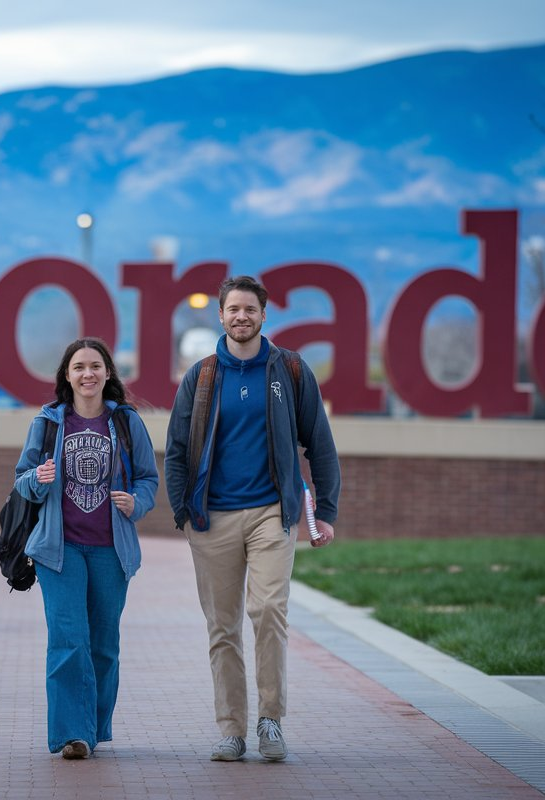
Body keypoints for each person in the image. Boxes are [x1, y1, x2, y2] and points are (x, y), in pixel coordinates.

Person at [164, 275, 341, 763]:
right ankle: (231, 729)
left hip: (270, 513)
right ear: (220, 315)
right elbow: (176, 450)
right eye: (233, 310)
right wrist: (183, 510)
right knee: (222, 626)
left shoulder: (290, 370)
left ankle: (270, 720)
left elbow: (319, 444)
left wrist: (325, 511)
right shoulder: (201, 376)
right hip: (212, 519)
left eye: (250, 310)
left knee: (267, 612)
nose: (241, 317)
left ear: (264, 316)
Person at [13, 337, 159, 759]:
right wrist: (37, 479)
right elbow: (22, 480)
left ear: (108, 373)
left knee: (102, 645)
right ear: (67, 376)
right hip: (59, 551)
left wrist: (138, 502)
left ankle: (92, 726)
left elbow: (148, 478)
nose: (88, 374)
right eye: (79, 367)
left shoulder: (127, 423)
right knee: (67, 639)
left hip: (111, 551)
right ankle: (72, 734)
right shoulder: (49, 423)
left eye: (95, 366)